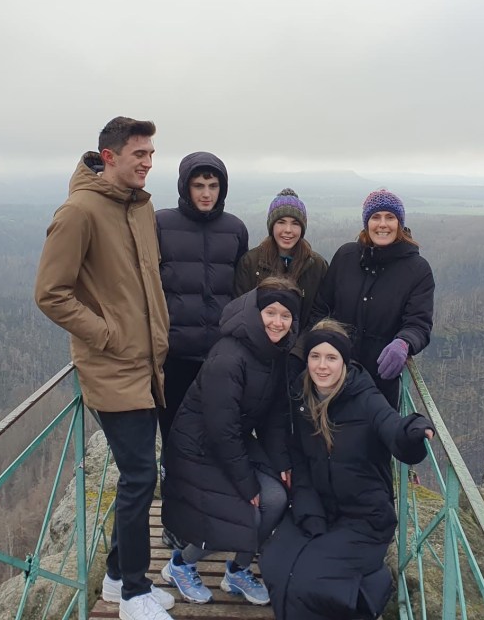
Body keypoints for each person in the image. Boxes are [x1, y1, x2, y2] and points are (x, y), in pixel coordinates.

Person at [34, 116, 175, 620]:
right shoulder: (79, 212)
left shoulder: (139, 206)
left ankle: (117, 580)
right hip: (113, 368)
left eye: (152, 154)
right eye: (140, 154)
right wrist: (107, 334)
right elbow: (50, 293)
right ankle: (135, 594)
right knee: (139, 476)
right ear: (109, 156)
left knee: (141, 473)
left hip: (148, 365)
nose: (149, 162)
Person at [261, 319, 435, 620]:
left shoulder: (366, 398)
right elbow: (300, 460)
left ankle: (370, 594)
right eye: (315, 356)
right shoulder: (303, 398)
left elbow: (392, 426)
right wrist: (308, 509)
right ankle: (365, 587)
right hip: (318, 505)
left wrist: (414, 428)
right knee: (275, 565)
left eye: (331, 357)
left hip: (365, 516)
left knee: (309, 581)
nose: (321, 366)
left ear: (345, 361)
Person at [160, 277, 300, 606]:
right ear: (255, 312)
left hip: (230, 443)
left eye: (286, 315)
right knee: (239, 511)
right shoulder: (229, 356)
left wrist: (281, 464)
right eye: (271, 312)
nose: (278, 322)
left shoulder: (276, 354)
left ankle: (237, 570)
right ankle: (180, 564)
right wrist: (246, 483)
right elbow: (219, 427)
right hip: (195, 447)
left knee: (277, 498)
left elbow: (275, 418)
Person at [155, 152, 248, 479]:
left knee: (218, 438)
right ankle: (173, 521)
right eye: (198, 185)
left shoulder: (235, 229)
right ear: (185, 187)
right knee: (174, 440)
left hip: (219, 357)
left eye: (213, 185)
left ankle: (215, 522)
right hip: (174, 355)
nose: (206, 193)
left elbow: (242, 292)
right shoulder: (161, 224)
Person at [311, 189, 434, 408]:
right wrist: (321, 349)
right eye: (375, 217)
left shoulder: (417, 270)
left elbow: (418, 323)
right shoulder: (346, 256)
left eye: (390, 217)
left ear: (400, 223)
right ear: (367, 222)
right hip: (334, 376)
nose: (382, 224)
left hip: (379, 383)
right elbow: (321, 308)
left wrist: (404, 342)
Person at [235, 188, 327, 329]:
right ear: (271, 226)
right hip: (258, 345)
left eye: (295, 223)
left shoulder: (317, 265)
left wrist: (298, 349)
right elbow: (241, 312)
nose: (288, 230)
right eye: (281, 222)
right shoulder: (251, 262)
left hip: (302, 348)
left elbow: (319, 315)